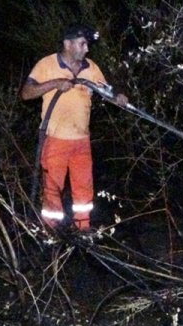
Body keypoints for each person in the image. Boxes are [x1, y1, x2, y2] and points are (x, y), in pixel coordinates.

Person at [19, 23, 128, 231]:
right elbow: (26, 93)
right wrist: (54, 83)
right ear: (68, 44)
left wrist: (118, 98)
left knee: (84, 188)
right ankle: (50, 232)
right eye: (83, 43)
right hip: (55, 139)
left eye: (87, 44)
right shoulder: (47, 64)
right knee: (52, 189)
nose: (87, 48)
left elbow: (106, 92)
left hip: (82, 141)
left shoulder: (91, 68)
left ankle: (83, 231)